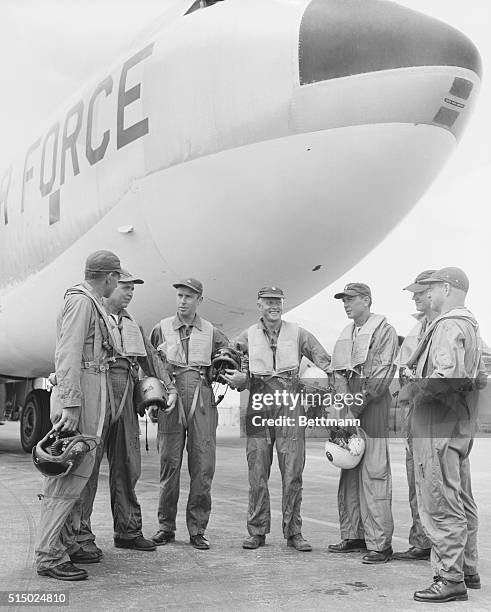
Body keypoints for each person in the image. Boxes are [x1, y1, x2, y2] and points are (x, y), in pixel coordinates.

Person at [69, 269, 178, 562]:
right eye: (125, 286)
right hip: (97, 395)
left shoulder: (132, 324)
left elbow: (150, 359)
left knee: (128, 466)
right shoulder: (92, 314)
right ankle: (80, 537)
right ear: (111, 285)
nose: (130, 292)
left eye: (133, 288)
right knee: (87, 468)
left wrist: (168, 386)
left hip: (126, 399)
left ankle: (128, 530)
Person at [35, 250, 122, 581]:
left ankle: (65, 543)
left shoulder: (90, 301)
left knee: (77, 476)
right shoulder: (82, 302)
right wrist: (71, 404)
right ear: (109, 277)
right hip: (80, 398)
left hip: (89, 394)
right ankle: (48, 554)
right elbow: (67, 353)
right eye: (117, 278)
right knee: (65, 478)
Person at [225, 286, 331, 552]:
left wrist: (329, 386)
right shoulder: (246, 336)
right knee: (257, 470)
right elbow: (226, 361)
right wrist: (240, 379)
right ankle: (257, 531)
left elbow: (324, 361)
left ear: (283, 304)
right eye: (268, 301)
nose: (273, 306)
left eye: (277, 301)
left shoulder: (299, 334)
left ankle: (294, 531)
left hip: (290, 404)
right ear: (259, 305)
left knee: (293, 470)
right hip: (259, 401)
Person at [408, 268, 484, 603]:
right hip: (457, 424)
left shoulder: (447, 325)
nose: (425, 295)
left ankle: (449, 578)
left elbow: (444, 377)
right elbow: (476, 375)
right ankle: (467, 569)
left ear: (445, 288)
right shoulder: (470, 323)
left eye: (429, 289)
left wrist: (413, 386)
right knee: (459, 497)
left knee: (439, 501)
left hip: (437, 425)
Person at [149, 278, 229, 550]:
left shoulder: (212, 332)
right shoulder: (160, 329)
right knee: (168, 465)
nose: (183, 301)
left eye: (189, 297)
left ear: (199, 301)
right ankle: (165, 527)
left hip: (202, 398)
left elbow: (229, 361)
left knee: (203, 467)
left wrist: (234, 373)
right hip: (170, 400)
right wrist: (151, 400)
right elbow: (149, 367)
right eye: (180, 296)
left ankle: (197, 529)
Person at [328, 283, 398, 564]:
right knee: (349, 471)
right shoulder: (347, 334)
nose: (346, 304)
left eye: (351, 299)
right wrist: (342, 407)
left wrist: (354, 406)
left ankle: (380, 545)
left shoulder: (385, 331)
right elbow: (337, 373)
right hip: (350, 410)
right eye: (343, 300)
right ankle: (354, 534)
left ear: (366, 300)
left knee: (374, 474)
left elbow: (381, 375)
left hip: (373, 409)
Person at [392, 271, 436, 562]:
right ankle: (421, 543)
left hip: (438, 419)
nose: (414, 296)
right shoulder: (417, 329)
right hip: (414, 418)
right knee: (415, 480)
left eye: (419, 291)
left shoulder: (452, 326)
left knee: (438, 485)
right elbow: (401, 373)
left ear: (435, 291)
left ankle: (445, 551)